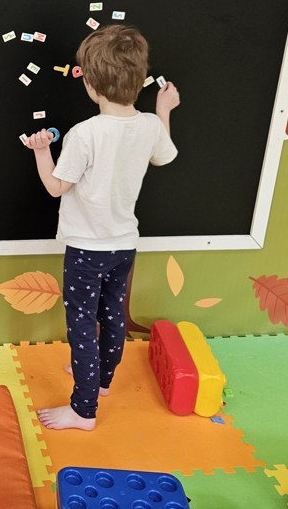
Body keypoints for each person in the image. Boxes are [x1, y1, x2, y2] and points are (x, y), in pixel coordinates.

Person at [24, 24, 179, 430]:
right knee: (112, 315)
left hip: (86, 250)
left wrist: (41, 150)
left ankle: (83, 409)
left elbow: (56, 187)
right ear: (138, 80)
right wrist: (164, 109)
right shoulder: (149, 124)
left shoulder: (85, 134)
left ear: (91, 85)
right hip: (123, 246)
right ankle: (103, 381)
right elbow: (164, 156)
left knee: (81, 326)